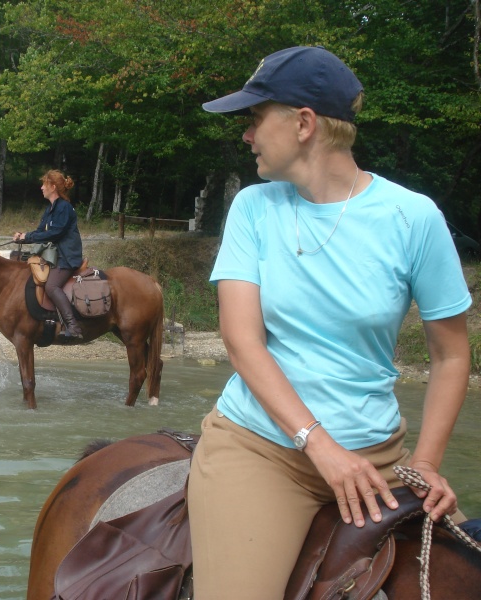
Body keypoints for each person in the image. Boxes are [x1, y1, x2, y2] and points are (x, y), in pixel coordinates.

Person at [188, 46, 472, 599]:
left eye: (254, 119)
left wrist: (428, 463)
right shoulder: (252, 208)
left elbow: (452, 355)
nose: (246, 136)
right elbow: (243, 343)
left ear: (303, 123)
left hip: (380, 459)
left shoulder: (413, 218)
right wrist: (319, 445)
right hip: (263, 451)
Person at [13, 169, 84, 339]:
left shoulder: (64, 207)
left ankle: (73, 326)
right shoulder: (50, 209)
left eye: (44, 184)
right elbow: (40, 231)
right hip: (54, 256)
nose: (41, 188)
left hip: (66, 257)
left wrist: (28, 237)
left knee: (51, 286)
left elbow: (55, 233)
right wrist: (23, 237)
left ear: (53, 187)